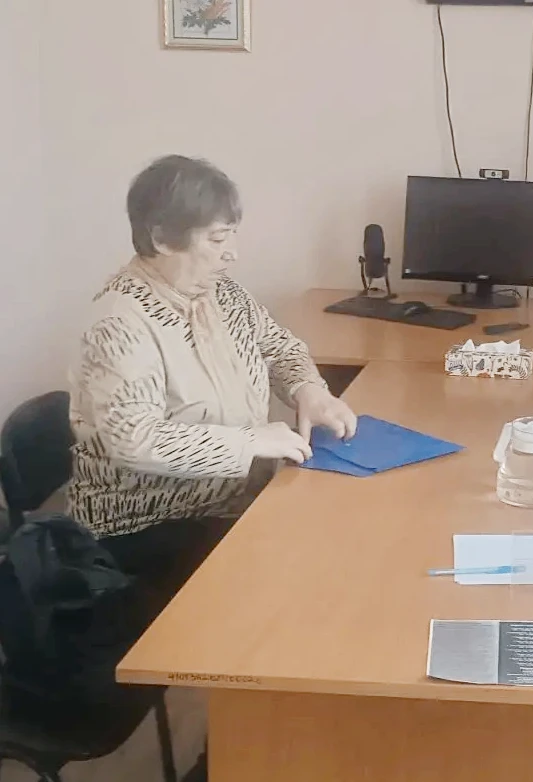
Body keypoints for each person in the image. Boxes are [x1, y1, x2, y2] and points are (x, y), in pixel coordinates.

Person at [67, 154, 357, 618]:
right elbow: (134, 440)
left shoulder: (222, 292)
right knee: (303, 588)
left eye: (232, 234)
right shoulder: (121, 321)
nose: (232, 252)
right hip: (147, 525)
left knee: (339, 540)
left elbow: (280, 348)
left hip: (231, 499)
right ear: (162, 239)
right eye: (217, 239)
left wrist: (310, 391)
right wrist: (250, 441)